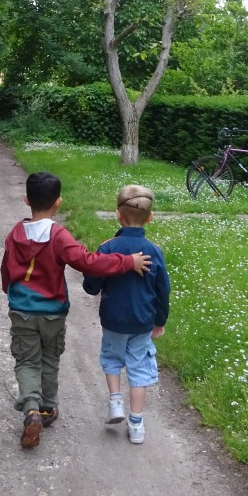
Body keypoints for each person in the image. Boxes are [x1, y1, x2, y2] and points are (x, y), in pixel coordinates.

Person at [1, 171, 152, 449]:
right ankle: (47, 408)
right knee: (49, 358)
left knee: (27, 361)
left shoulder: (16, 233)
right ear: (58, 202)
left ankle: (31, 408)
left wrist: (7, 289)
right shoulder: (58, 236)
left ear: (26, 200)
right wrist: (127, 262)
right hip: (52, 312)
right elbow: (88, 262)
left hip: (21, 310)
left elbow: (6, 268)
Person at [82, 185, 170, 445]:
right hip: (142, 322)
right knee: (139, 368)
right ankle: (137, 424)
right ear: (150, 217)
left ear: (118, 215)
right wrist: (160, 320)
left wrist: (90, 273)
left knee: (111, 357)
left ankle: (115, 402)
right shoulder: (154, 251)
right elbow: (163, 290)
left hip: (113, 319)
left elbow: (92, 285)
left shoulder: (108, 248)